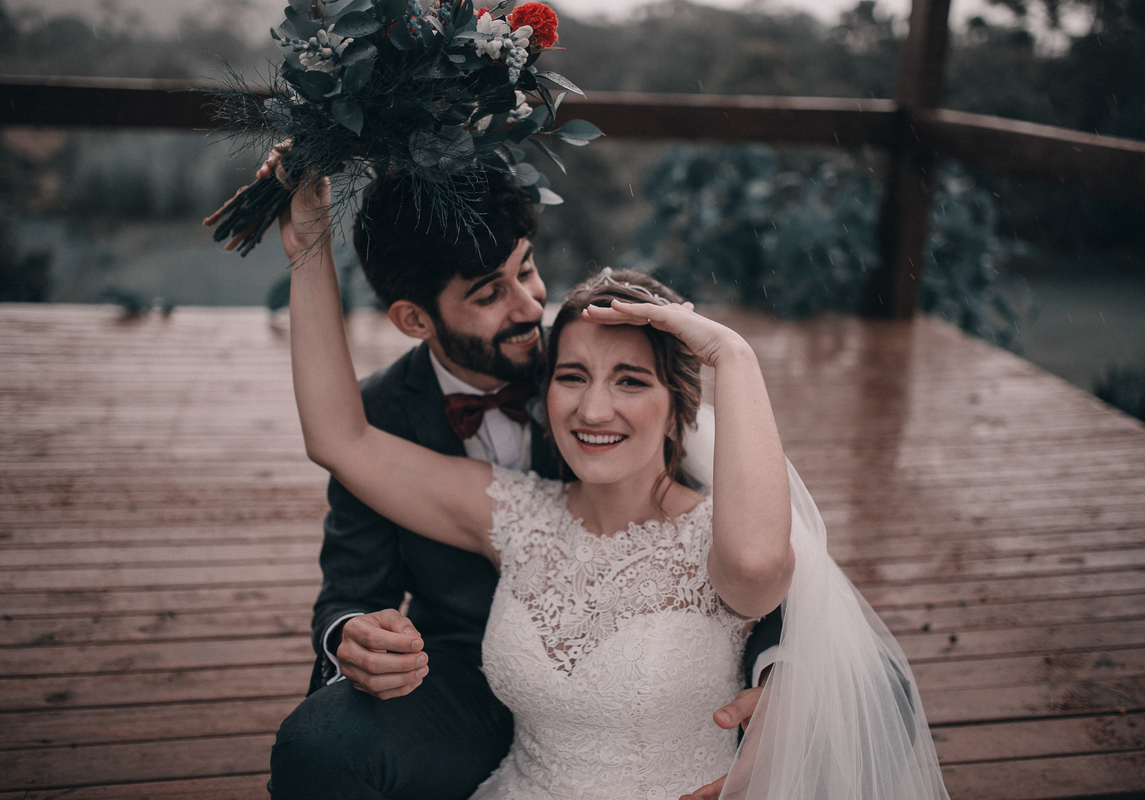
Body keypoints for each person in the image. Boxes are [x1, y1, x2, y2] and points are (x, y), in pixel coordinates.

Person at [265, 156, 782, 800]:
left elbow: (763, 567)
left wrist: (732, 354)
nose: (593, 410)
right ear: (415, 319)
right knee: (318, 747)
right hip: (463, 689)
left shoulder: (589, 351)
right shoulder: (509, 505)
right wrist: (308, 245)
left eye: (529, 269)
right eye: (572, 378)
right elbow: (339, 441)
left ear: (680, 407)